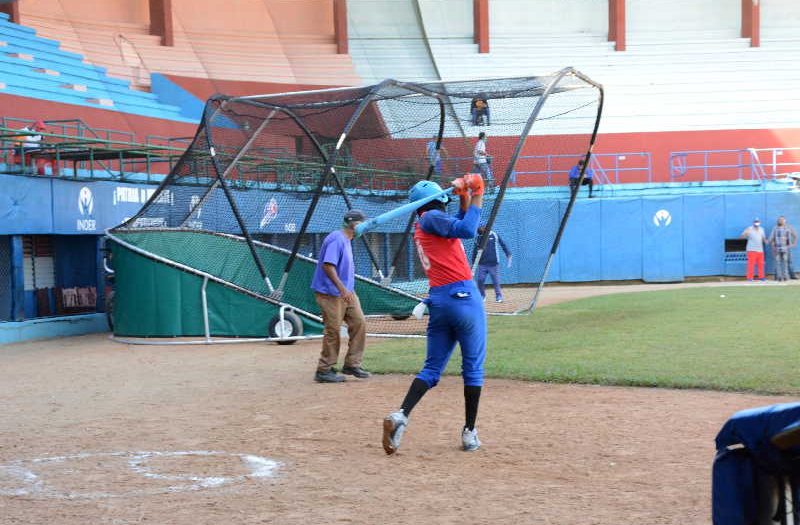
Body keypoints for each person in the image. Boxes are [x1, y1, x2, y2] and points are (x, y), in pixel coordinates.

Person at [382, 173, 486, 454]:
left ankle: (401, 415)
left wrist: (467, 195)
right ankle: (469, 432)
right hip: (463, 298)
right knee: (473, 369)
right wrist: (478, 191)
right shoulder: (431, 219)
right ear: (439, 199)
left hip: (439, 299)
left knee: (431, 369)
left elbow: (463, 222)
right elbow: (468, 229)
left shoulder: (425, 224)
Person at [311, 209, 370, 383]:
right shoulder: (337, 238)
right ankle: (323, 370)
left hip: (347, 292)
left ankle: (352, 364)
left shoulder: (347, 240)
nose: (365, 227)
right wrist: (342, 289)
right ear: (355, 224)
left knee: (359, 322)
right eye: (362, 223)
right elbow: (328, 266)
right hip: (331, 293)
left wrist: (346, 290)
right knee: (333, 330)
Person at [475, 224, 512, 303]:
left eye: (481, 227)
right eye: (479, 228)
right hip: (482, 264)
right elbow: (475, 251)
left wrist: (508, 253)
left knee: (496, 281)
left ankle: (498, 296)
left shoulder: (494, 235)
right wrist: (473, 263)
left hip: (493, 263)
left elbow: (503, 244)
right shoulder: (478, 237)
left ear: (485, 227)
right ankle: (482, 296)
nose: (480, 229)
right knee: (480, 280)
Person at [740, 218, 768, 282]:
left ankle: (761, 277)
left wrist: (766, 241)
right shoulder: (749, 229)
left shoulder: (762, 229)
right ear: (753, 222)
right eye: (755, 221)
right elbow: (741, 237)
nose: (756, 223)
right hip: (751, 249)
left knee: (761, 264)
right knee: (751, 264)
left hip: (760, 250)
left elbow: (763, 238)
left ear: (760, 222)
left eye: (758, 221)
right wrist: (745, 234)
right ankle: (750, 278)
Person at [768, 216, 792, 282]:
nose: (780, 221)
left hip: (785, 249)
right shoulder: (775, 229)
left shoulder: (787, 229)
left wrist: (788, 248)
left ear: (784, 221)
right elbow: (771, 237)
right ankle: (779, 277)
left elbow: (789, 239)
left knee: (785, 263)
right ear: (778, 221)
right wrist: (768, 241)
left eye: (782, 220)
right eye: (779, 220)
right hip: (777, 249)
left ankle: (785, 277)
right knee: (777, 263)